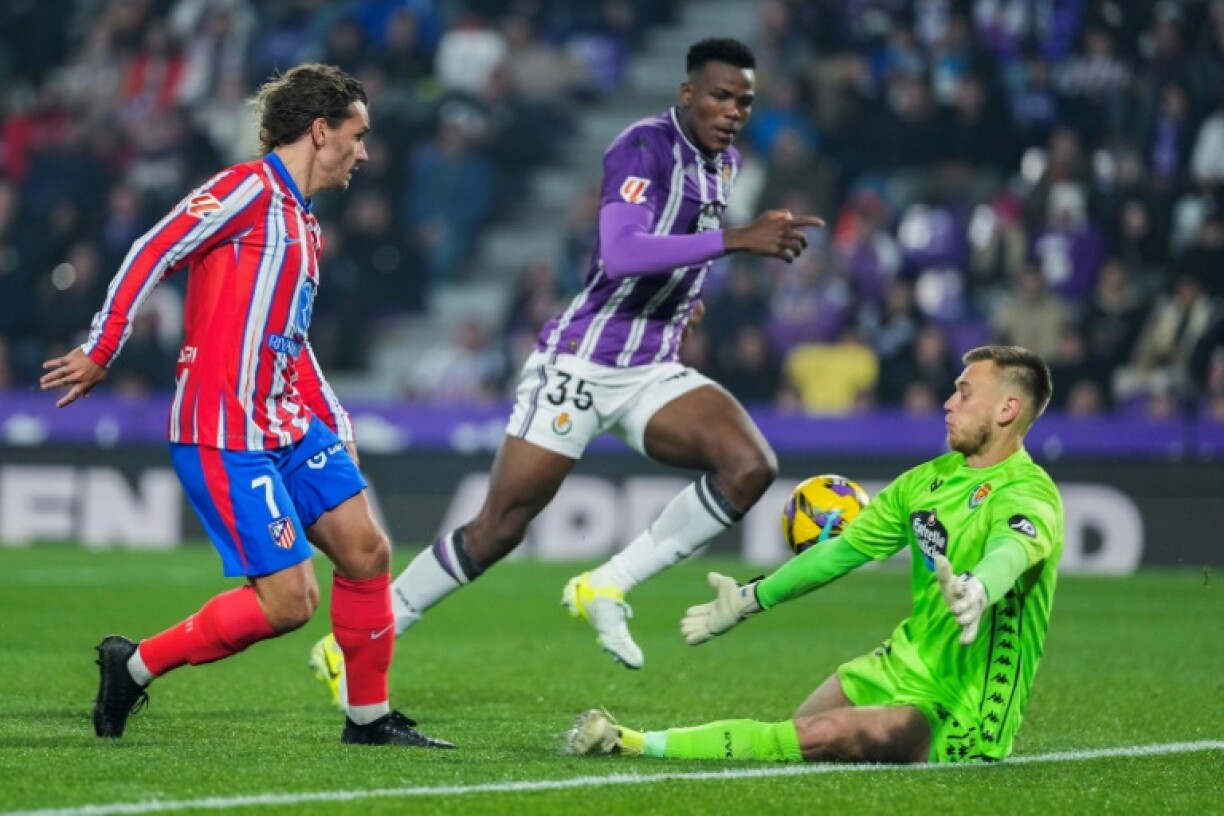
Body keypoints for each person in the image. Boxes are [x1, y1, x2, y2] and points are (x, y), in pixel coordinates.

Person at [309, 36, 825, 704]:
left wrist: (685, 299)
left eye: (744, 102)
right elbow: (621, 251)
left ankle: (607, 584)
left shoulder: (724, 165)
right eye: (721, 96)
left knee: (749, 465)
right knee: (498, 528)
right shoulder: (643, 146)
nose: (733, 112)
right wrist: (736, 240)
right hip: (581, 364)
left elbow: (669, 253)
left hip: (651, 365)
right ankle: (350, 643)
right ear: (688, 93)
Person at [40, 64, 451, 749]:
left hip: (288, 423)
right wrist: (104, 346)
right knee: (290, 604)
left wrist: (337, 426)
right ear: (320, 132)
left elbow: (292, 341)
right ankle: (133, 666)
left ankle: (369, 720)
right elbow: (153, 248)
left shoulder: (305, 226)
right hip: (224, 431)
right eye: (357, 136)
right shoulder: (247, 189)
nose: (364, 153)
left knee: (367, 551)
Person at [566, 345, 1062, 765]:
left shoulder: (1028, 492)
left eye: (965, 393)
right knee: (794, 736)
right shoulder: (927, 481)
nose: (949, 403)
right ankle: (632, 742)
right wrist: (750, 599)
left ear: (1006, 409)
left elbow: (1012, 548)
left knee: (817, 736)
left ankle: (630, 742)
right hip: (900, 662)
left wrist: (979, 588)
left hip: (963, 705)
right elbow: (839, 552)